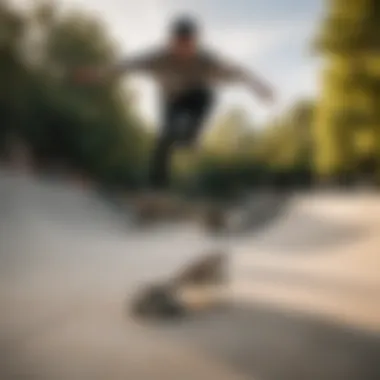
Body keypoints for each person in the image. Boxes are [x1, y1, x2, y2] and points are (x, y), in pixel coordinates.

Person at [76, 15, 275, 193]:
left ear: (195, 43)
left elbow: (238, 72)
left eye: (188, 45)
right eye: (179, 44)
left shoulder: (206, 60)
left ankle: (191, 134)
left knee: (207, 94)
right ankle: (157, 186)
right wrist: (97, 73)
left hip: (194, 98)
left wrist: (259, 87)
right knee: (164, 139)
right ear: (171, 42)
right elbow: (125, 66)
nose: (183, 51)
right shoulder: (156, 58)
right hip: (170, 102)